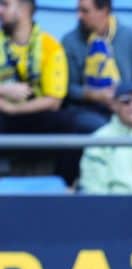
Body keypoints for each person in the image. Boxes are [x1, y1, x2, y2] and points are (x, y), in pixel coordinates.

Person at [0, 0, 73, 175]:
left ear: (24, 9)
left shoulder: (50, 46)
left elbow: (53, 101)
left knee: (69, 123)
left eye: (5, 5)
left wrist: (14, 110)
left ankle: (68, 187)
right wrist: (4, 91)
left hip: (34, 113)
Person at [61, 0, 132, 134]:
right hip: (86, 109)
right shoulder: (70, 41)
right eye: (78, 10)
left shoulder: (129, 36)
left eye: (85, 11)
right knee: (97, 127)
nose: (79, 16)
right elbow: (68, 88)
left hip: (126, 105)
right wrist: (93, 95)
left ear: (104, 10)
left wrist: (126, 98)